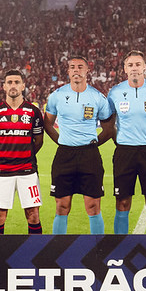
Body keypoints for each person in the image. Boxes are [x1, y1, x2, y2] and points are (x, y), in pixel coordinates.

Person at [44, 55, 114, 234]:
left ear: (87, 70)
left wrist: (93, 144)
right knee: (61, 205)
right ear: (68, 71)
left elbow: (109, 128)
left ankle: (97, 249)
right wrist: (60, 140)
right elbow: (47, 123)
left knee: (92, 205)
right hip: (64, 154)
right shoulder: (57, 96)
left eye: (80, 67)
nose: (76, 70)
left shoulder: (98, 97)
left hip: (89, 155)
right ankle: (58, 248)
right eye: (72, 67)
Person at [107, 50, 146, 234]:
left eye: (137, 64)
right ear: (125, 69)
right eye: (130, 65)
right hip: (124, 152)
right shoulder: (115, 92)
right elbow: (109, 124)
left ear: (144, 67)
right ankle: (120, 247)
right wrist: (119, 141)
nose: (134, 68)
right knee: (122, 201)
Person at [0, 70, 45, 234]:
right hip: (2, 171)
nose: (13, 85)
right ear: (4, 86)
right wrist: (5, 154)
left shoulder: (33, 111)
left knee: (33, 215)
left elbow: (39, 140)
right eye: (10, 82)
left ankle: (34, 254)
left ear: (23, 85)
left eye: (17, 82)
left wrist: (26, 154)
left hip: (28, 171)